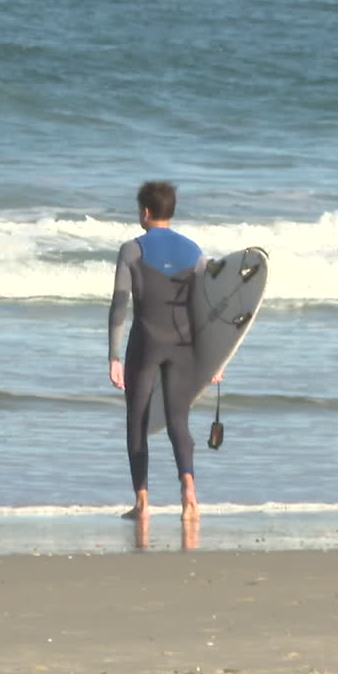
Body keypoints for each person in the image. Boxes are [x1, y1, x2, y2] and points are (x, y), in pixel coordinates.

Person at [107, 181, 209, 522]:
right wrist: (215, 359)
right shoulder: (195, 251)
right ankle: (189, 490)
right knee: (178, 420)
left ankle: (142, 502)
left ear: (145, 212)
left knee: (137, 422)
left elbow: (120, 304)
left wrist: (114, 356)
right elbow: (204, 309)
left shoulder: (131, 249)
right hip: (184, 346)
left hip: (146, 344)